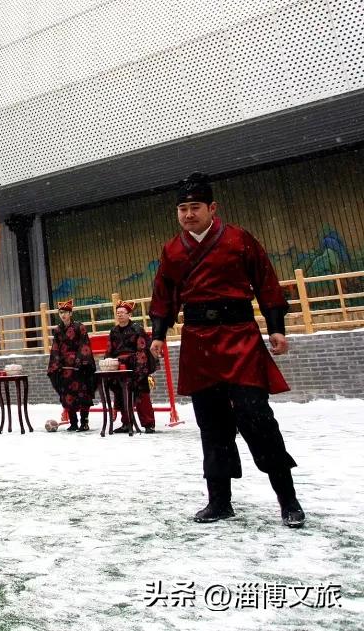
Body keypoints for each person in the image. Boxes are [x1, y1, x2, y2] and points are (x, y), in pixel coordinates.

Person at [149, 172, 304, 528]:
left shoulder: (238, 239)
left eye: (195, 207)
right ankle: (219, 502)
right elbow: (164, 293)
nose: (188, 215)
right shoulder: (173, 250)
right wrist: (158, 332)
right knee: (211, 423)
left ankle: (288, 500)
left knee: (257, 417)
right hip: (198, 340)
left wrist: (276, 327)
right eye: (182, 209)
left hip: (240, 335)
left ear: (212, 208)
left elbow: (265, 280)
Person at [104, 300, 157, 433]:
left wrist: (139, 368)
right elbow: (109, 350)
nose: (120, 315)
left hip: (136, 365)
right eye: (118, 313)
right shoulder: (114, 331)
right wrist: (108, 363)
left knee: (141, 394)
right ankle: (126, 423)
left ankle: (148, 424)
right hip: (119, 366)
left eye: (122, 313)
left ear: (129, 314)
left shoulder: (137, 329)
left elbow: (142, 349)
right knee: (120, 393)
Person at [47, 299, 95, 431]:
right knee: (67, 395)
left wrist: (79, 363)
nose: (63, 315)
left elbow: (84, 346)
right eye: (61, 312)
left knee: (83, 394)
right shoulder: (57, 330)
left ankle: (84, 422)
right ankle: (73, 423)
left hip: (78, 367)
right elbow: (55, 348)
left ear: (71, 313)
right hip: (64, 369)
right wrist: (56, 365)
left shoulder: (80, 327)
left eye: (66, 312)